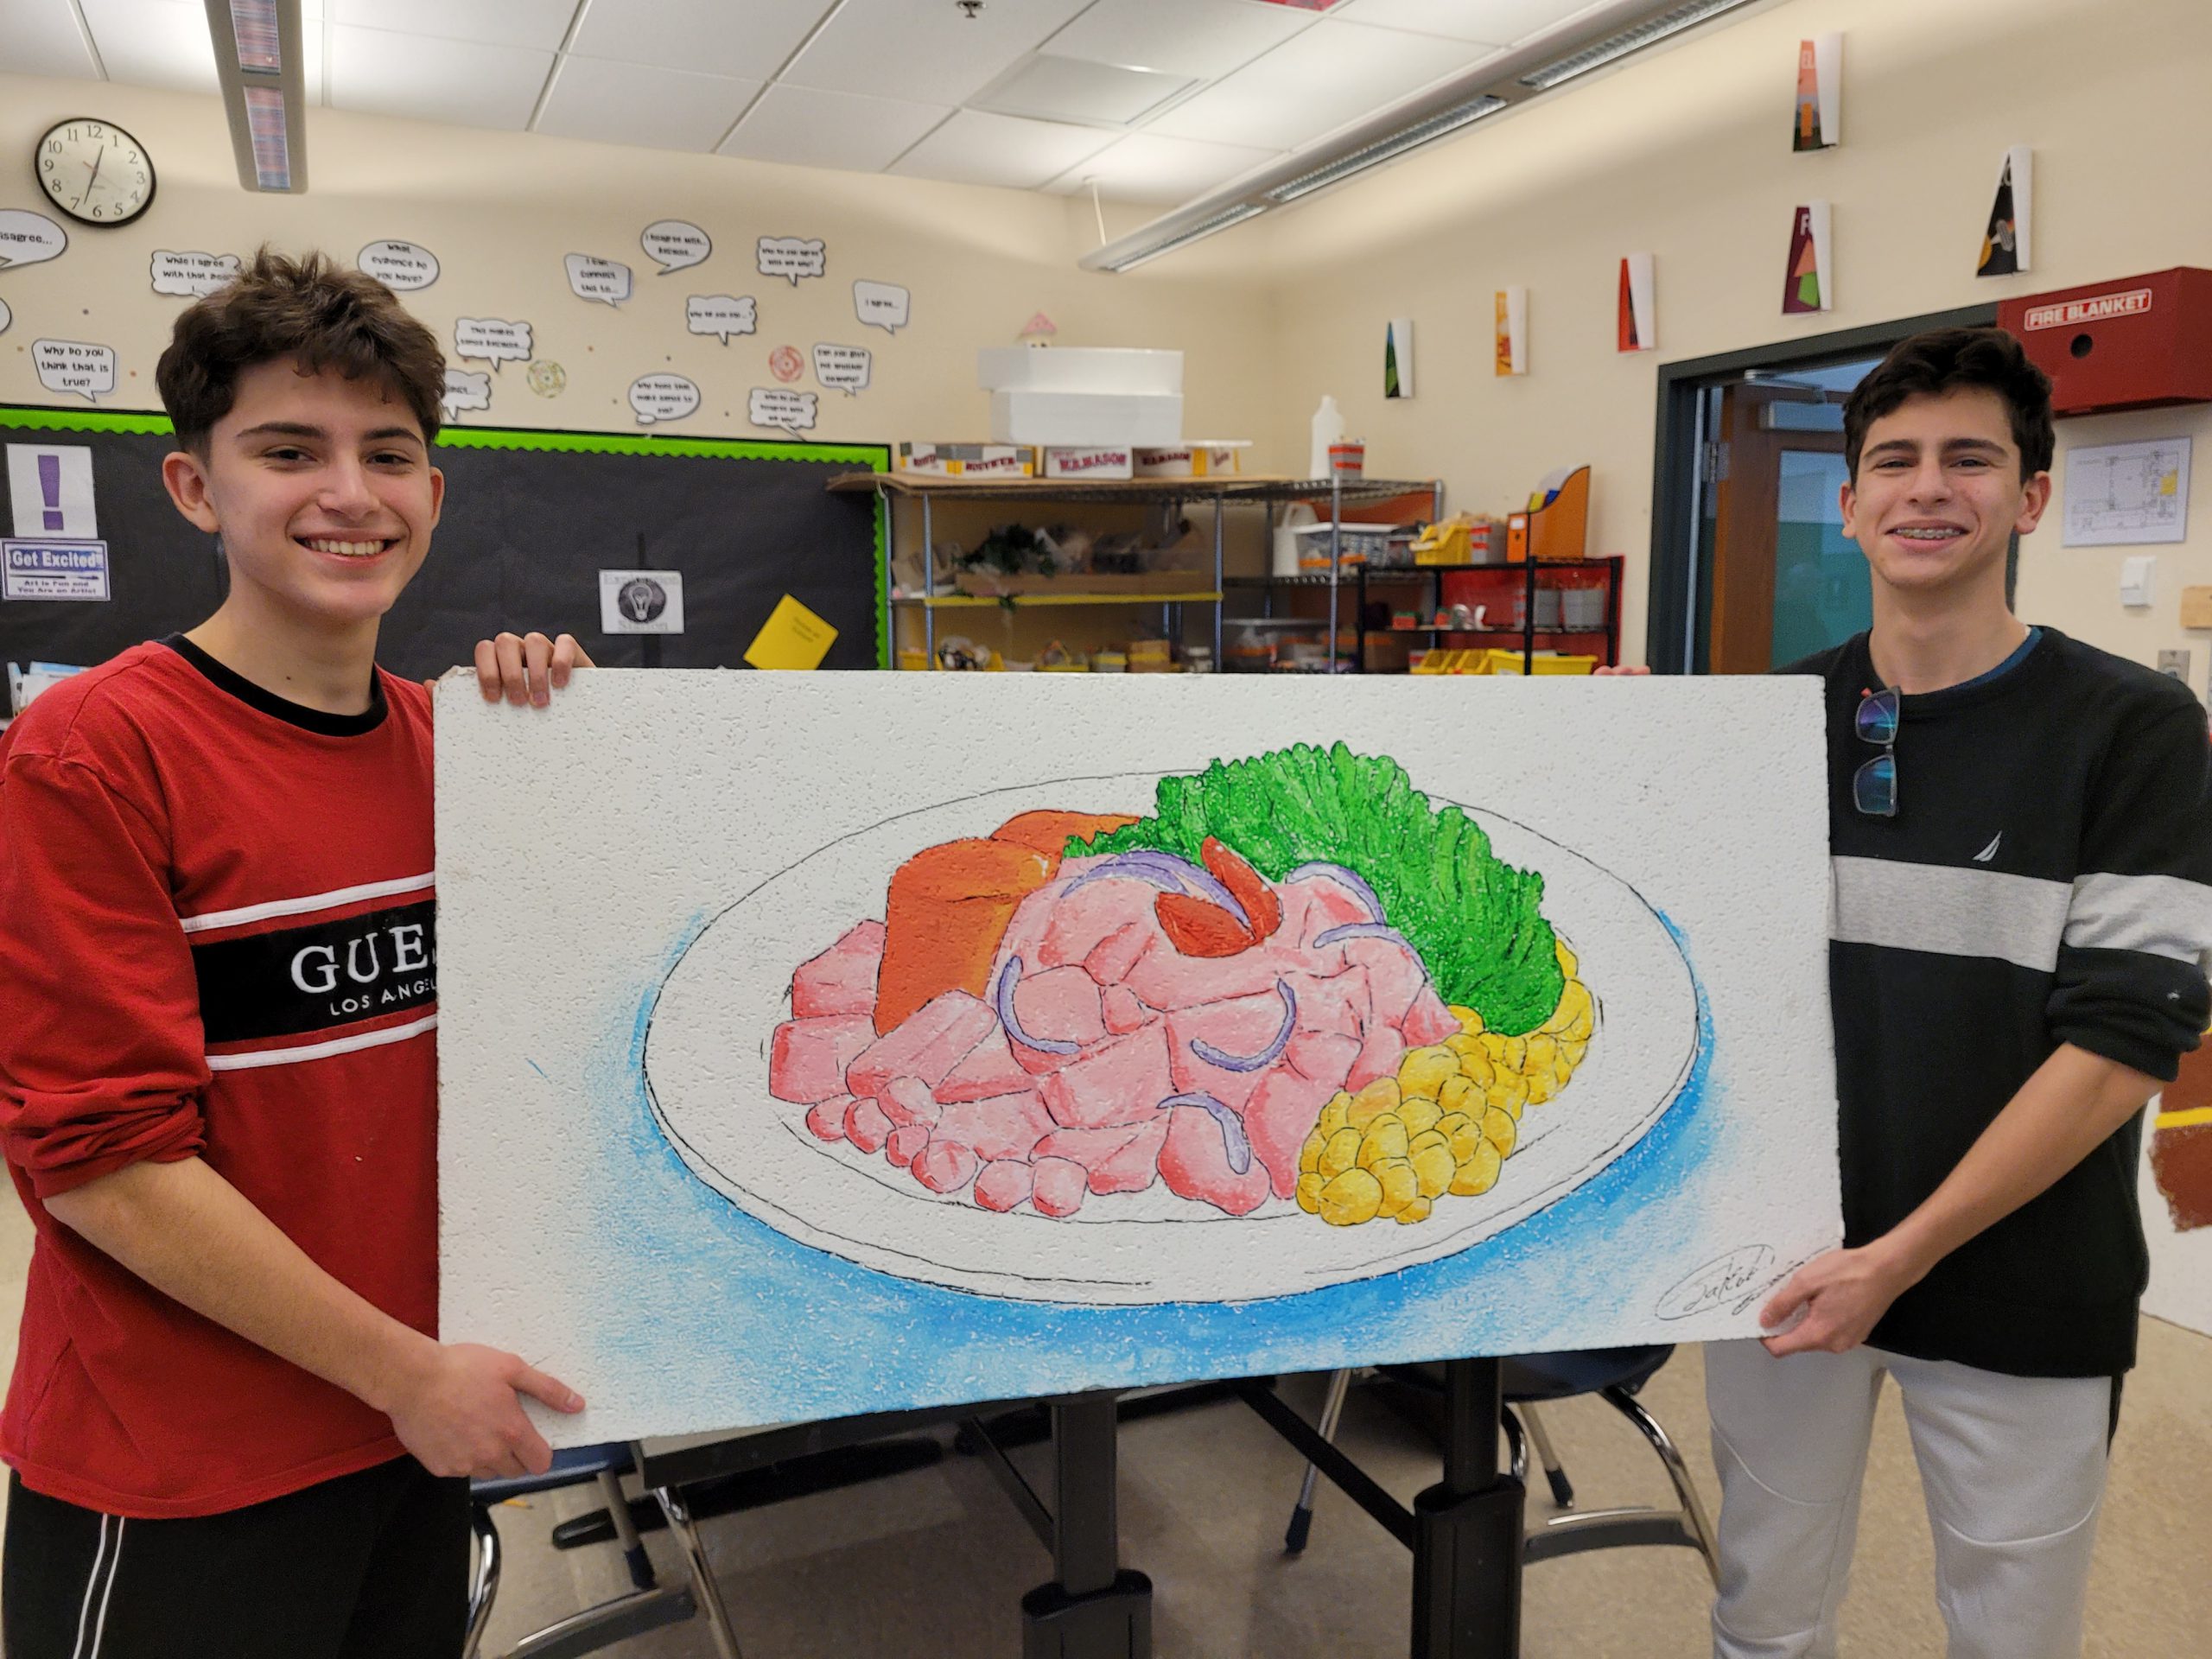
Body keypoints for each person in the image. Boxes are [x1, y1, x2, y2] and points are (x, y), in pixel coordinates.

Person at [0, 249, 596, 1657]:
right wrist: (404, 1375)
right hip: (194, 1463)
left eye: (388, 454)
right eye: (288, 448)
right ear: (195, 486)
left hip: (416, 1427)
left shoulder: (467, 753)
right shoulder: (93, 752)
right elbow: (103, 1164)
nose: (349, 493)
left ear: (433, 497)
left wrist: (581, 754)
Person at [1682, 327, 2212, 1659]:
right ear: (1850, 501)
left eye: (1969, 459)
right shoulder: (1764, 723)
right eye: (1895, 461)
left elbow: (2127, 1039)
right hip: (1783, 1264)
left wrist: (1901, 1259)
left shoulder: (2134, 729)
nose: (1929, 488)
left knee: (2011, 1635)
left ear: (2030, 497)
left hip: (2024, 1278)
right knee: (1764, 1614)